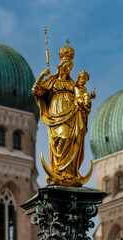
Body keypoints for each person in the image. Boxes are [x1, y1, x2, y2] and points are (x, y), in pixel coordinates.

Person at [32, 42, 89, 184]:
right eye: (66, 66)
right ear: (61, 66)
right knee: (62, 137)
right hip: (56, 113)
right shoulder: (51, 82)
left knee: (73, 138)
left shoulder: (73, 84)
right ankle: (58, 169)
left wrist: (85, 102)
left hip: (72, 113)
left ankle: (69, 172)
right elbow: (36, 91)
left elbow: (80, 96)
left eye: (70, 66)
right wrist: (42, 75)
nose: (68, 68)